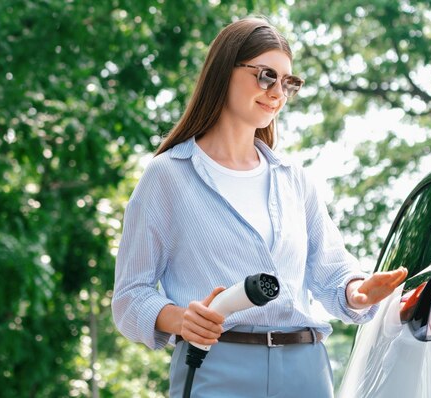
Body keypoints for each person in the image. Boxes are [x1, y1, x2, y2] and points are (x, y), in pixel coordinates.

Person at [112, 17, 408, 398]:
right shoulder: (167, 177)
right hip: (216, 366)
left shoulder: (294, 180)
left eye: (288, 82)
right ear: (224, 71)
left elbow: (332, 272)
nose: (278, 93)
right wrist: (182, 320)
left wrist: (357, 291)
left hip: (307, 369)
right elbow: (130, 295)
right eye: (266, 76)